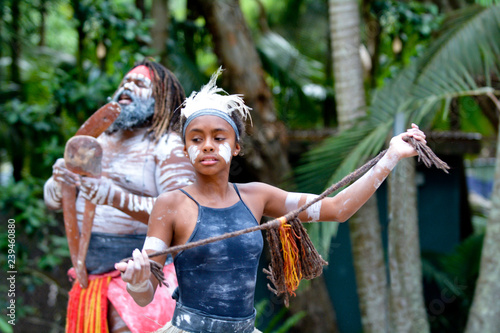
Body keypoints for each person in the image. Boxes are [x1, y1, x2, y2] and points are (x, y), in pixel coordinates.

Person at [115, 69, 427, 333]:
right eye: (196, 139)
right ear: (185, 149)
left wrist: (392, 156)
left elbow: (337, 209)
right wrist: (138, 280)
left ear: (236, 146)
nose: (207, 146)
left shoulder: (257, 196)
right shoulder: (169, 204)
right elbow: (143, 296)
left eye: (218, 138)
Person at [43, 59, 196, 333]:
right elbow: (54, 202)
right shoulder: (98, 140)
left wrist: (115, 197)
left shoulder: (167, 145)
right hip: (89, 279)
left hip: (144, 280)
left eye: (139, 83)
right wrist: (58, 185)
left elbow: (184, 214)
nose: (126, 87)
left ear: (162, 98)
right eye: (124, 82)